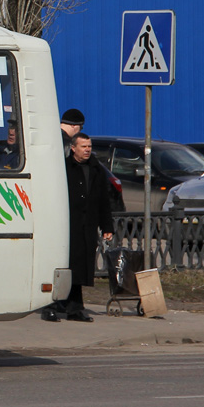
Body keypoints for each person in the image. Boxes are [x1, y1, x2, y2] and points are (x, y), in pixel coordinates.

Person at [44, 132, 113, 323]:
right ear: (73, 148)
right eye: (83, 146)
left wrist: (107, 226)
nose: (87, 150)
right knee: (61, 265)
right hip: (65, 226)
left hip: (86, 226)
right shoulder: (63, 168)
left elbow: (103, 201)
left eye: (89, 146)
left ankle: (74, 308)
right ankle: (51, 305)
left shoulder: (96, 169)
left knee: (80, 267)